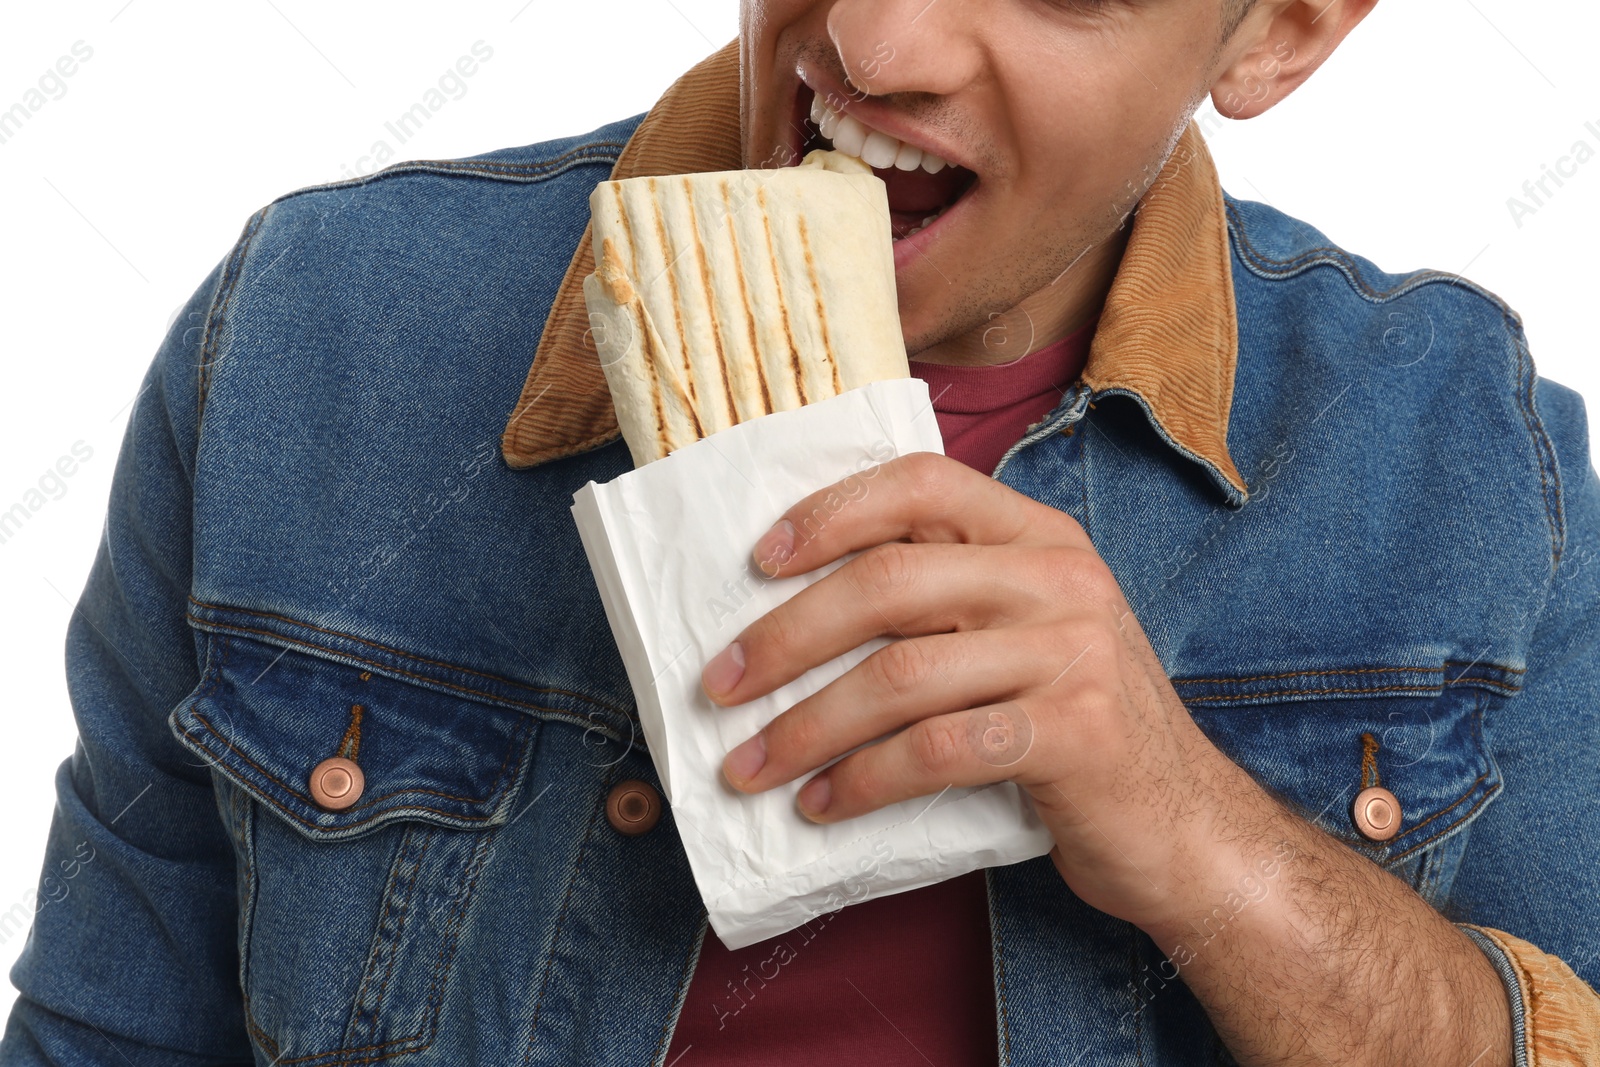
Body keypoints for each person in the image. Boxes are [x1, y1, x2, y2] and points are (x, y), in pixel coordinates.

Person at [4, 0, 1598, 1063]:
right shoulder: (313, 331)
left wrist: (1201, 837)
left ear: (1284, 29)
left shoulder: (1468, 456)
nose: (867, 36)